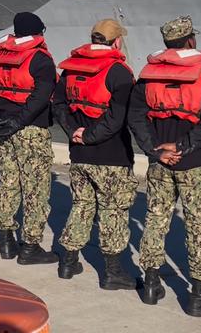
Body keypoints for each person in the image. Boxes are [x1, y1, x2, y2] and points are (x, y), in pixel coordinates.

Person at [128, 16, 201, 316]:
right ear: (191, 41)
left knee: (155, 220)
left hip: (159, 163)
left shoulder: (147, 78)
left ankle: (152, 283)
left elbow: (136, 118)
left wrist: (155, 151)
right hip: (195, 163)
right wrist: (183, 146)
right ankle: (200, 295)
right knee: (198, 226)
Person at [52, 19, 137, 289]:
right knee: (113, 210)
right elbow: (118, 118)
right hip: (111, 156)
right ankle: (112, 271)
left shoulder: (71, 69)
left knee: (81, 205)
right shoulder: (119, 72)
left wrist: (75, 132)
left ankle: (68, 261)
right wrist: (90, 136)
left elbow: (59, 105)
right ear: (116, 41)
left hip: (79, 155)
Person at [0, 12, 57, 265]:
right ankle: (30, 247)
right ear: (38, 32)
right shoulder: (41, 60)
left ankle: (6, 240)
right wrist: (19, 122)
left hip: (4, 130)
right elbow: (40, 97)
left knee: (8, 184)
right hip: (30, 130)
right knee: (35, 189)